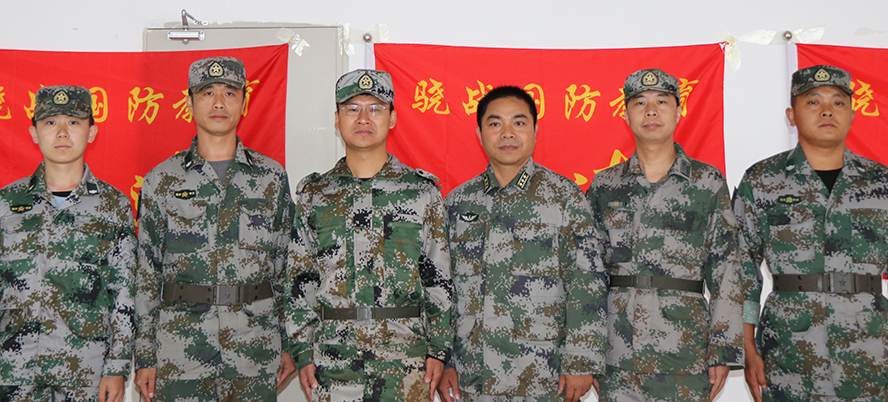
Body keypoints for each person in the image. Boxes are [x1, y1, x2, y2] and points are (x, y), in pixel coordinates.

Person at [735, 64, 888, 402]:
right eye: (813, 101)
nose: (827, 110)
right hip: (788, 359)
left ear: (852, 114)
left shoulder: (883, 183)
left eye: (838, 102)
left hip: (869, 359)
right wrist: (747, 347)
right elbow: (740, 271)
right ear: (791, 115)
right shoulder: (762, 180)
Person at [133, 56, 295, 402]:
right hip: (180, 352)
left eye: (230, 93)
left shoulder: (270, 177)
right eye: (207, 93)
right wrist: (145, 355)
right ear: (189, 102)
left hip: (254, 349)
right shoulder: (162, 179)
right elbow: (147, 272)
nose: (219, 103)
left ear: (244, 103)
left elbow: (285, 266)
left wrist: (288, 342)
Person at [286, 69, 453, 402]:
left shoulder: (421, 193)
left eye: (375, 108)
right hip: (332, 364)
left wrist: (439, 350)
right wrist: (302, 350)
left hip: (406, 364)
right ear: (337, 119)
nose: (363, 118)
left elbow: (439, 278)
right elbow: (300, 279)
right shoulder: (315, 194)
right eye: (352, 109)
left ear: (392, 118)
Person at [437, 86, 606, 402]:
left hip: (544, 375)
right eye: (495, 123)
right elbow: (442, 287)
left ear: (535, 131)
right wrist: (444, 359)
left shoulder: (564, 197)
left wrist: (581, 359)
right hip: (474, 374)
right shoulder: (457, 203)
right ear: (479, 133)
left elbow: (587, 281)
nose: (507, 133)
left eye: (518, 122)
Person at [586, 69, 744, 402]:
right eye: (639, 103)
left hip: (684, 351)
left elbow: (727, 268)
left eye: (662, 102)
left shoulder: (706, 182)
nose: (651, 111)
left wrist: (723, 348)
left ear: (678, 111)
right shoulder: (605, 185)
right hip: (617, 352)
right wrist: (588, 351)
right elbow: (587, 273)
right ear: (625, 114)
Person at [0, 85, 136, 402]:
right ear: (34, 132)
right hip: (15, 371)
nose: (62, 133)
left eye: (74, 122)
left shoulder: (113, 206)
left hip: (85, 373)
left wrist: (117, 367)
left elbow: (124, 293)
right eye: (51, 122)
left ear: (91, 132)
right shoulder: (4, 204)